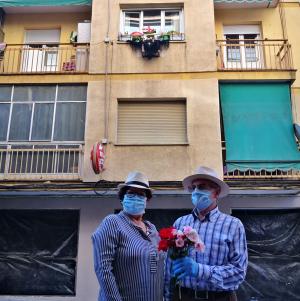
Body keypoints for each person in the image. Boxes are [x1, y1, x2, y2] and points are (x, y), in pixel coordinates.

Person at [164, 166, 248, 301]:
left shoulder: (233, 225)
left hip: (220, 297)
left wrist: (199, 270)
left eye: (202, 187)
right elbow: (169, 266)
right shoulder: (180, 223)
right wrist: (167, 296)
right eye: (194, 188)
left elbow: (239, 272)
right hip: (183, 296)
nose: (196, 192)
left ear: (216, 192)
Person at [92, 171, 164, 301]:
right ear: (122, 198)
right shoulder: (113, 222)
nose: (136, 197)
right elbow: (103, 268)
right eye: (131, 193)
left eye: (141, 194)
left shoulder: (152, 229)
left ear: (147, 200)